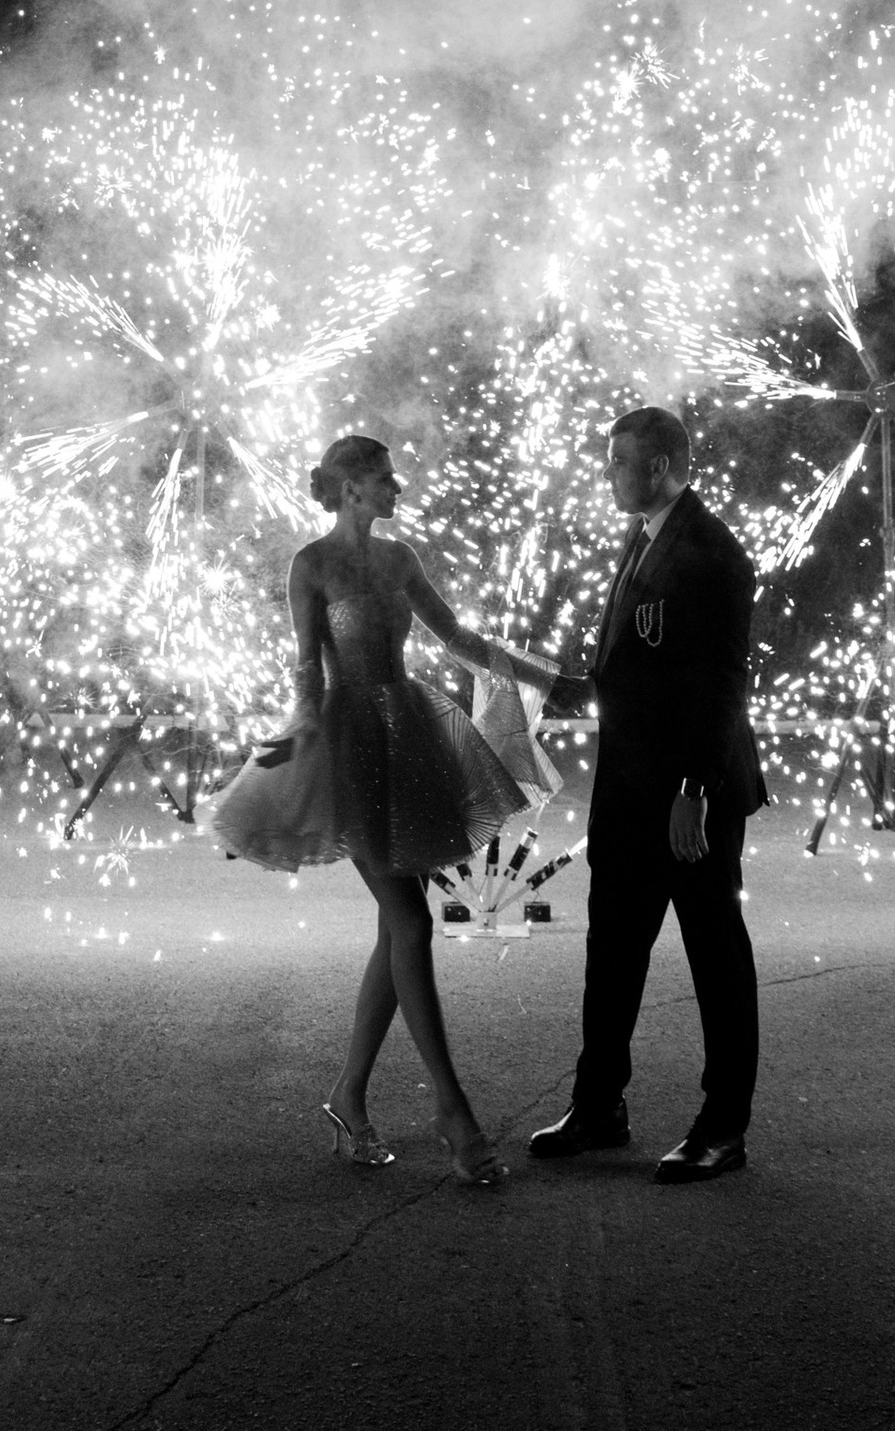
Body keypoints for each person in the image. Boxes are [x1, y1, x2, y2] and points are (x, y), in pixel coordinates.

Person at [211, 430, 575, 1187]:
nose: (396, 489)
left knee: (395, 930)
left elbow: (459, 638)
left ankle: (348, 1096)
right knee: (410, 921)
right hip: (349, 748)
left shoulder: (399, 559)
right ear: (350, 488)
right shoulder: (310, 566)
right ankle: (454, 1111)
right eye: (384, 478)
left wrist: (547, 678)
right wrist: (295, 755)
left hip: (406, 735)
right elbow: (306, 671)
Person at [533, 405, 766, 1183]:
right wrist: (526, 679)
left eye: (617, 462)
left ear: (660, 464)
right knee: (613, 951)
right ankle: (600, 1107)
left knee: (715, 957)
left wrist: (696, 789)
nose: (609, 475)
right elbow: (623, 677)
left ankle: (722, 1130)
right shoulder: (645, 539)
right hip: (632, 792)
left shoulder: (712, 554)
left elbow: (724, 684)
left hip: (688, 799)